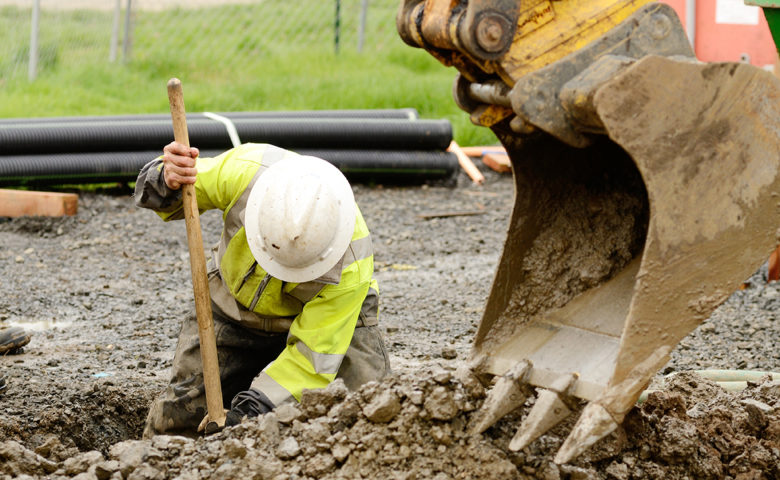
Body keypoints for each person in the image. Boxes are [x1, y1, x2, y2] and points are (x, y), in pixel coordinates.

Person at [134, 141, 391, 437]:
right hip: (232, 308)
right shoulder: (246, 172)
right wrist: (167, 179)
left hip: (330, 327)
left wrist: (246, 415)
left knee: (368, 417)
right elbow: (182, 190)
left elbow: (312, 362)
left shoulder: (351, 266)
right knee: (178, 421)